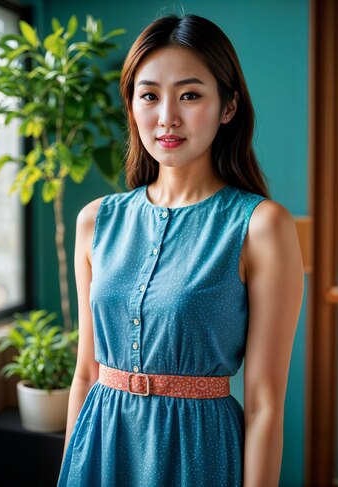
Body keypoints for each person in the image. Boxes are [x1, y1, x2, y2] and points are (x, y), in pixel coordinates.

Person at [57, 13, 303, 487]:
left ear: (228, 106)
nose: (166, 116)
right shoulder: (94, 221)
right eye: (149, 95)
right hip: (100, 451)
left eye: (189, 95)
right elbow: (86, 374)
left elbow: (266, 402)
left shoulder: (262, 226)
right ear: (131, 105)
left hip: (198, 456)